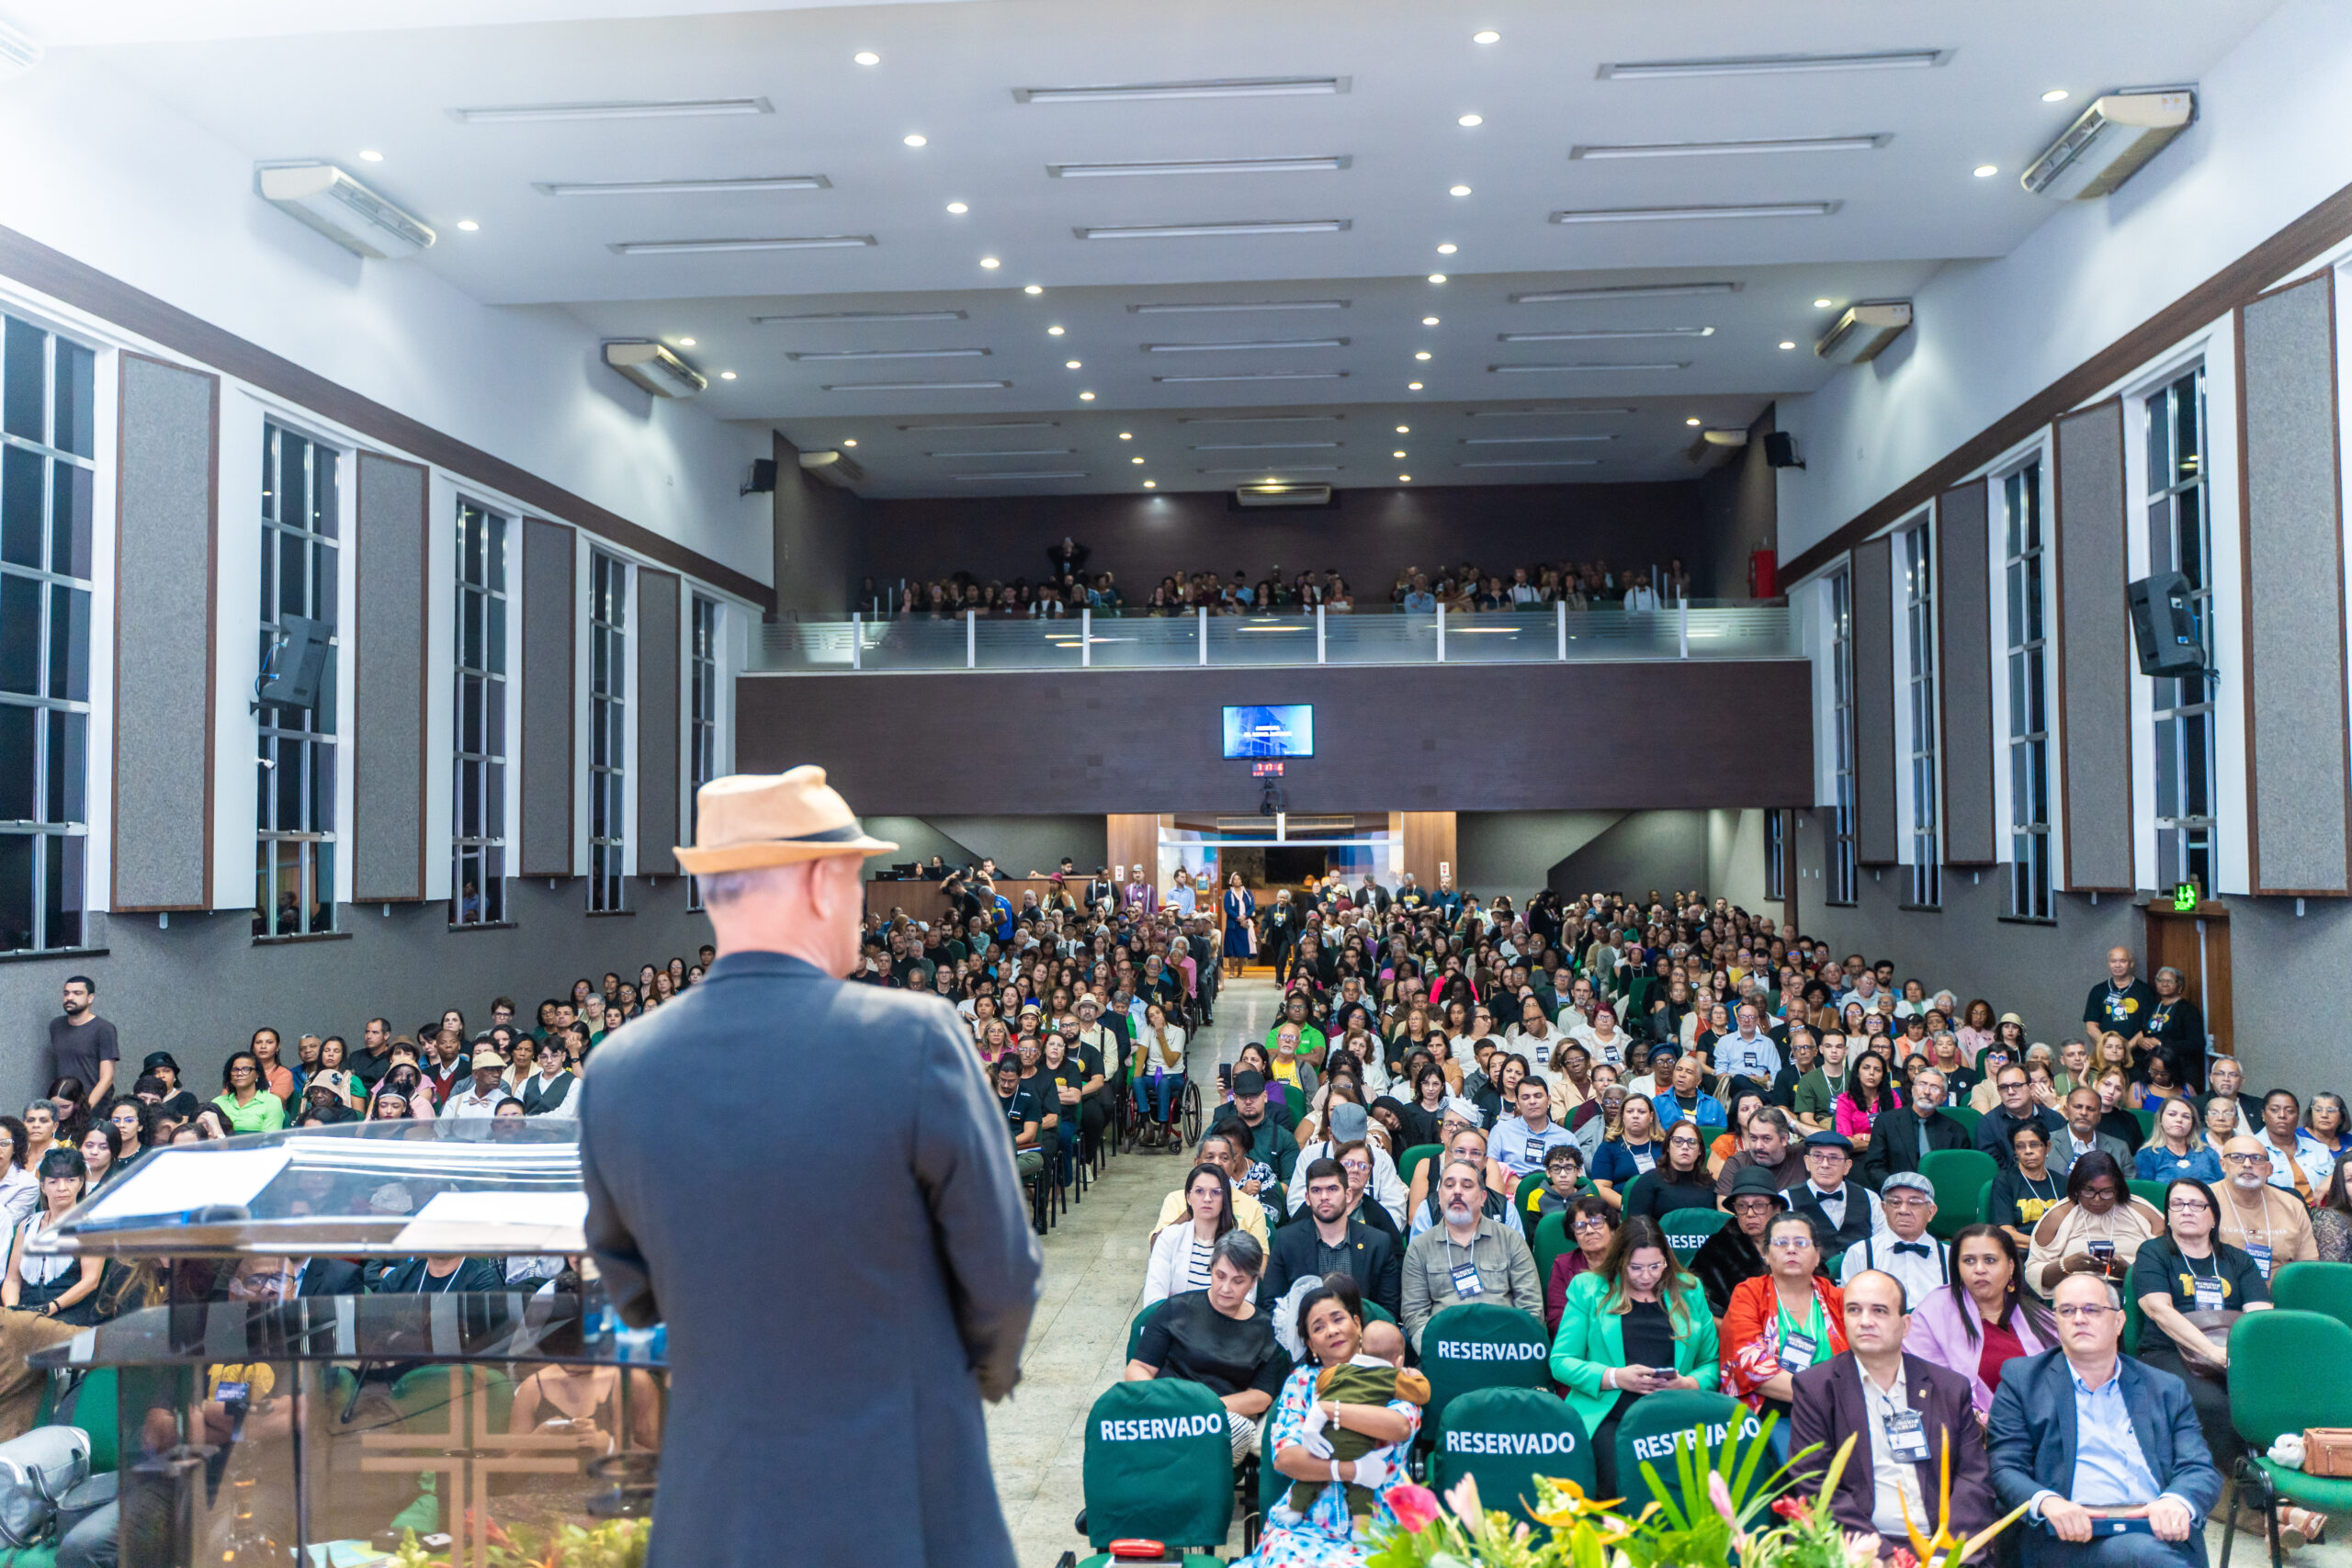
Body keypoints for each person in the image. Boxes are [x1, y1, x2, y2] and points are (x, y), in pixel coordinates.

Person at [581, 766, 1040, 1568]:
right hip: (900, 1500)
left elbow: (633, 1289)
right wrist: (978, 1375)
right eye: (858, 879)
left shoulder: (618, 1069)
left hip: (715, 1512)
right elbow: (1001, 1273)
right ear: (823, 883)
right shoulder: (915, 1039)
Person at [1987, 1271, 2222, 1568]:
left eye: (2092, 1309)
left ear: (2119, 1321)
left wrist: (2176, 1501)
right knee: (2145, 1556)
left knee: (2149, 1552)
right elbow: (2004, 1467)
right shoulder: (2022, 1381)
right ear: (2056, 1320)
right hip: (2067, 1538)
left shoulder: (2164, 1388)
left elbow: (2198, 1467)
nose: (2078, 1319)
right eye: (2067, 1311)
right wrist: (2048, 1502)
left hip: (2155, 1528)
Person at [1790, 1269, 1994, 1554]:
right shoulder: (1816, 1389)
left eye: (1879, 1311)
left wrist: (1949, 1554)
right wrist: (1885, 1556)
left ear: (1905, 1324)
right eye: (1854, 1310)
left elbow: (1972, 1479)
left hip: (1941, 1545)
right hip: (1859, 1548)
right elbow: (1814, 1484)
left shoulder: (1948, 1388)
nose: (1865, 1321)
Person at [1246, 1280, 1420, 1565]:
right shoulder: (1301, 1383)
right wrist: (1351, 1469)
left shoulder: (1392, 1374)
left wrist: (1329, 1410)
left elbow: (1398, 1426)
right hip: (1307, 1523)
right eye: (1318, 1327)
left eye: (1338, 1319)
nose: (1331, 1330)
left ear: (1356, 1323)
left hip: (1380, 1522)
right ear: (1310, 1344)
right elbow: (1286, 1459)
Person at [1548, 1216, 1721, 1497]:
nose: (1646, 1276)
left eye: (1656, 1266)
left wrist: (1689, 1384)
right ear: (1619, 1260)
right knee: (1621, 1479)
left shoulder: (1688, 1288)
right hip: (1611, 1414)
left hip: (1676, 1410)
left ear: (1667, 1259)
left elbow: (1712, 1364)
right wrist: (1615, 1377)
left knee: (1689, 1487)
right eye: (1636, 1267)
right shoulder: (1588, 1288)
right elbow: (1561, 1361)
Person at [2127, 1178, 2277, 1489]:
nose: (2186, 1211)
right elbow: (2159, 1311)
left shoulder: (2238, 1259)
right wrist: (2213, 1354)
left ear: (2213, 1217)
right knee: (2215, 1404)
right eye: (2177, 1204)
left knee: (2274, 1395)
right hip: (2166, 1352)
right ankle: (2259, 1500)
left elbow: (2260, 1315)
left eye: (2197, 1204)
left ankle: (2282, 1479)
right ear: (2167, 1215)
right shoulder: (2153, 1253)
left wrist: (2241, 1358)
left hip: (2233, 1354)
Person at [1125, 1231, 1290, 1462]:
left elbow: (1261, 1396)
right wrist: (1169, 1405)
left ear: (1254, 1282)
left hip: (1223, 1417)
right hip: (1168, 1409)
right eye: (1220, 1275)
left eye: (1238, 1281)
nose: (1225, 1288)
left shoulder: (1267, 1331)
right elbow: (1138, 1369)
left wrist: (1202, 1409)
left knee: (1237, 1431)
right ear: (1211, 1269)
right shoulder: (1176, 1310)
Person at [1907, 1224, 2054, 1418]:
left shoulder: (2038, 1317)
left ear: (2011, 1266)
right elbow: (1925, 1384)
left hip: (2039, 1430)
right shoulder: (1934, 1312)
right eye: (1968, 1261)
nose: (1979, 1269)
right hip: (1962, 1431)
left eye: (1990, 1260)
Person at [1399, 1158, 1543, 1351]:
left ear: (1483, 1198)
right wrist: (1434, 1351)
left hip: (1503, 1348)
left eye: (1467, 1186)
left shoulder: (1511, 1240)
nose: (1457, 1191)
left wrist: (1512, 1350)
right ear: (1439, 1196)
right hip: (1444, 1349)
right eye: (1449, 1185)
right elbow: (1414, 1314)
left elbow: (1531, 1307)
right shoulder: (1419, 1247)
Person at [1722, 1210, 1847, 1417]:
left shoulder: (1838, 1298)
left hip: (1836, 1411)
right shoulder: (1749, 1294)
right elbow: (1747, 1367)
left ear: (1817, 1255)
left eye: (1801, 1243)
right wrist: (1824, 1396)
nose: (1791, 1249)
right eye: (1780, 1243)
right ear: (1766, 1254)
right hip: (1770, 1411)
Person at [1260, 1157, 1402, 1322]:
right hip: (1303, 1339)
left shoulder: (1377, 1243)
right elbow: (1272, 1304)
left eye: (1332, 1189)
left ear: (1348, 1194)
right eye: (1316, 1190)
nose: (1324, 1197)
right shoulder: (1286, 1241)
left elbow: (1388, 1310)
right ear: (1307, 1197)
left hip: (1362, 1339)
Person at [2025, 1153, 2163, 1298]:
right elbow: (2034, 1273)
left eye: (2106, 1192)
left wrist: (2130, 1273)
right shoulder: (2059, 1215)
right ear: (2076, 1188)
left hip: (2134, 1294)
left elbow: (2169, 1262)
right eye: (2089, 1191)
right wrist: (2067, 1265)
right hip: (2077, 1295)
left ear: (2117, 1188)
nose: (2097, 1199)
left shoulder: (2141, 1211)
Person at [1, 1148, 102, 1324]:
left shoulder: (90, 1226)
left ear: (80, 1184)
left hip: (70, 1311)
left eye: (70, 1180)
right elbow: (12, 1279)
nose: (62, 1188)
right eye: (53, 1182)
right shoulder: (28, 1224)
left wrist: (51, 1307)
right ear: (43, 1186)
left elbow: (90, 1281)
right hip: (25, 1308)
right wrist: (11, 1310)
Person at [2211, 1135, 2316, 1280]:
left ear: (2269, 1169)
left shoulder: (2292, 1205)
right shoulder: (2203, 1201)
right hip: (2224, 1295)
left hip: (2281, 1297)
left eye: (2257, 1158)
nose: (2247, 1164)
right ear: (2223, 1164)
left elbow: (2308, 1267)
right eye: (2237, 1157)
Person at [1838, 1170, 1950, 1303]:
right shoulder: (1860, 1253)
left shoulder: (1949, 1256)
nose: (1903, 1210)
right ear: (1884, 1209)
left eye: (1914, 1203)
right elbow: (1848, 1308)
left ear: (1931, 1212)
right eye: (1895, 1202)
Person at [1152, 1131, 1271, 1248]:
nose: (1217, 1163)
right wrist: (1190, 1213)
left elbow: (1261, 1259)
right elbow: (1156, 1247)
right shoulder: (1174, 1199)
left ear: (1233, 1164)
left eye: (1224, 1158)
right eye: (1210, 1157)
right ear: (1196, 1163)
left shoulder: (1252, 1206)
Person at [1692, 1166, 1783, 1316]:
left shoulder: (1794, 1242)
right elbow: (1699, 1307)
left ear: (1776, 1208)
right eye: (1741, 1206)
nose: (1750, 1213)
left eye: (1759, 1205)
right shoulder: (1716, 1250)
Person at [1144, 1163, 1238, 1307]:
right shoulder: (1168, 1238)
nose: (1207, 1198)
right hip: (1173, 1325)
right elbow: (1153, 1300)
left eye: (1216, 1192)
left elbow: (1243, 1303)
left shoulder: (1240, 1246)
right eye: (1199, 1191)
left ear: (1225, 1198)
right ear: (1188, 1197)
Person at [1860, 1067, 1970, 1190]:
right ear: (1913, 1089)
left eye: (1934, 1088)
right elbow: (1874, 1167)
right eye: (1922, 1085)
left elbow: (1960, 1174)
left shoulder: (1957, 1131)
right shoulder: (1886, 1122)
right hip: (1896, 1195)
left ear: (1943, 1097)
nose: (1927, 1091)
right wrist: (1897, 1189)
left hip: (1942, 1197)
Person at [1788, 1129, 1886, 1257]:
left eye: (1833, 1158)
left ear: (1847, 1166)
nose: (1825, 1165)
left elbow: (1882, 1243)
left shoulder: (1870, 1198)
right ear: (1807, 1162)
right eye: (1817, 1156)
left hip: (1861, 1274)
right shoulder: (1787, 1198)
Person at [1544, 1197, 1619, 1331]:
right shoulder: (1563, 1265)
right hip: (1578, 1342)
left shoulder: (1628, 1261)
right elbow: (1556, 1320)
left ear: (1612, 1228)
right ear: (1574, 1235)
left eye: (1596, 1222)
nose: (1589, 1230)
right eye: (1580, 1226)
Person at [1989, 1122, 2069, 1248]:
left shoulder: (2062, 1183)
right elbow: (2006, 1233)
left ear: (2047, 1147)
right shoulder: (2005, 1181)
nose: (2028, 1151)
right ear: (2015, 1151)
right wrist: (2045, 1246)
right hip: (2021, 1251)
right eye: (2020, 1147)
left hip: (2060, 1250)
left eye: (2034, 1145)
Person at [1622, 1120, 1719, 1222]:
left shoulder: (1711, 1185)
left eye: (1692, 1142)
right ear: (1668, 1147)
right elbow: (1636, 1229)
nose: (1685, 1147)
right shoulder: (1648, 1182)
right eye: (1678, 1141)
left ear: (1700, 1150)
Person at [47, 976, 117, 1111]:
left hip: (93, 1107)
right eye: (66, 993)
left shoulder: (104, 1029)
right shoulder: (56, 1025)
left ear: (90, 998)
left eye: (77, 993)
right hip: (64, 1107)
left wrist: (85, 1108)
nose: (70, 998)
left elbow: (107, 1077)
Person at [2254, 1089, 2334, 1201]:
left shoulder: (2318, 1149)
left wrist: (2332, 1178)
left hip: (2319, 1214)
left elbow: (2340, 1183)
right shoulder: (2249, 1148)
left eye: (2290, 1111)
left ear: (2297, 1116)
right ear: (2263, 1115)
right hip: (2272, 1214)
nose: (2282, 1115)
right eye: (2274, 1110)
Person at [1714, 1106, 1808, 1196]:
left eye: (1766, 1138)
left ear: (1784, 1139)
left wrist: (1793, 1124)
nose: (1758, 1146)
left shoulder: (1802, 1155)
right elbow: (1723, 1209)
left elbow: (1822, 1139)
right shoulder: (1737, 1163)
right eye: (1753, 1138)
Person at [2083, 946, 2160, 1044]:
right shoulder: (2098, 990)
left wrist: (2126, 1048)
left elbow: (2149, 1026)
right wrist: (2108, 1047)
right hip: (2106, 1054)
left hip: (2137, 1054)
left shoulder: (2145, 991)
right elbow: (2091, 1026)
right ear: (2108, 964)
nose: (2117, 965)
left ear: (2131, 964)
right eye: (2113, 961)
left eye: (2123, 961)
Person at [2133, 1099, 2221, 1183]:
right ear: (2160, 1120)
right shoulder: (2147, 1154)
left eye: (2186, 1116)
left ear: (2192, 1124)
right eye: (2172, 1114)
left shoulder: (2208, 1153)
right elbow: (2147, 1193)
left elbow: (2222, 1188)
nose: (2179, 1120)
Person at [2054, 1089, 2133, 1177]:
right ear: (2066, 1111)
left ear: (2099, 1116)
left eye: (2091, 1109)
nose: (2084, 1112)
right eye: (2078, 1107)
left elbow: (2129, 1188)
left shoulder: (2120, 1149)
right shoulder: (2048, 1143)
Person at [211, 1051, 287, 1134]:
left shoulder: (272, 1102)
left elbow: (270, 1139)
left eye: (246, 1069)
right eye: (235, 1070)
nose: (239, 1073)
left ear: (257, 1074)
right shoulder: (217, 1103)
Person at [518, 1038, 577, 1117]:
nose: (549, 1061)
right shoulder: (526, 1083)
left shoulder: (575, 1083)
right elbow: (516, 1113)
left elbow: (567, 1115)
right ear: (539, 1058)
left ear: (563, 1056)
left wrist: (529, 1121)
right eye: (544, 1057)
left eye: (554, 1056)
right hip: (527, 1129)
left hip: (559, 1129)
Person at [443, 1052, 509, 1120]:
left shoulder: (508, 1103)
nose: (497, 1074)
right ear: (475, 1073)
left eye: (499, 1070)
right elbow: (441, 1129)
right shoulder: (455, 1102)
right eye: (490, 1070)